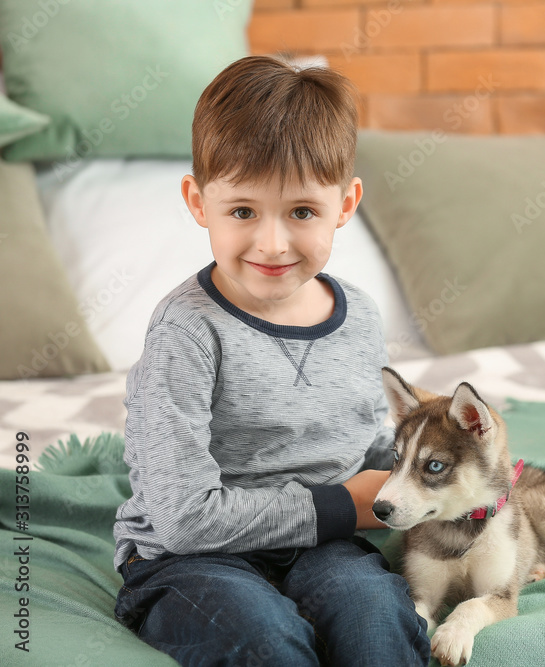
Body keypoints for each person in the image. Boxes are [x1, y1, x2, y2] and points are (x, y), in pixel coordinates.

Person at [111, 54, 430, 666]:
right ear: (199, 202)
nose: (273, 243)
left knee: (375, 617)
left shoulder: (358, 315)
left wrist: (425, 484)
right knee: (264, 638)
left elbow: (367, 450)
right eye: (242, 211)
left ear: (345, 203)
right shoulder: (187, 331)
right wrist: (343, 504)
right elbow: (180, 521)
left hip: (325, 548)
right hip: (194, 558)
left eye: (303, 211)